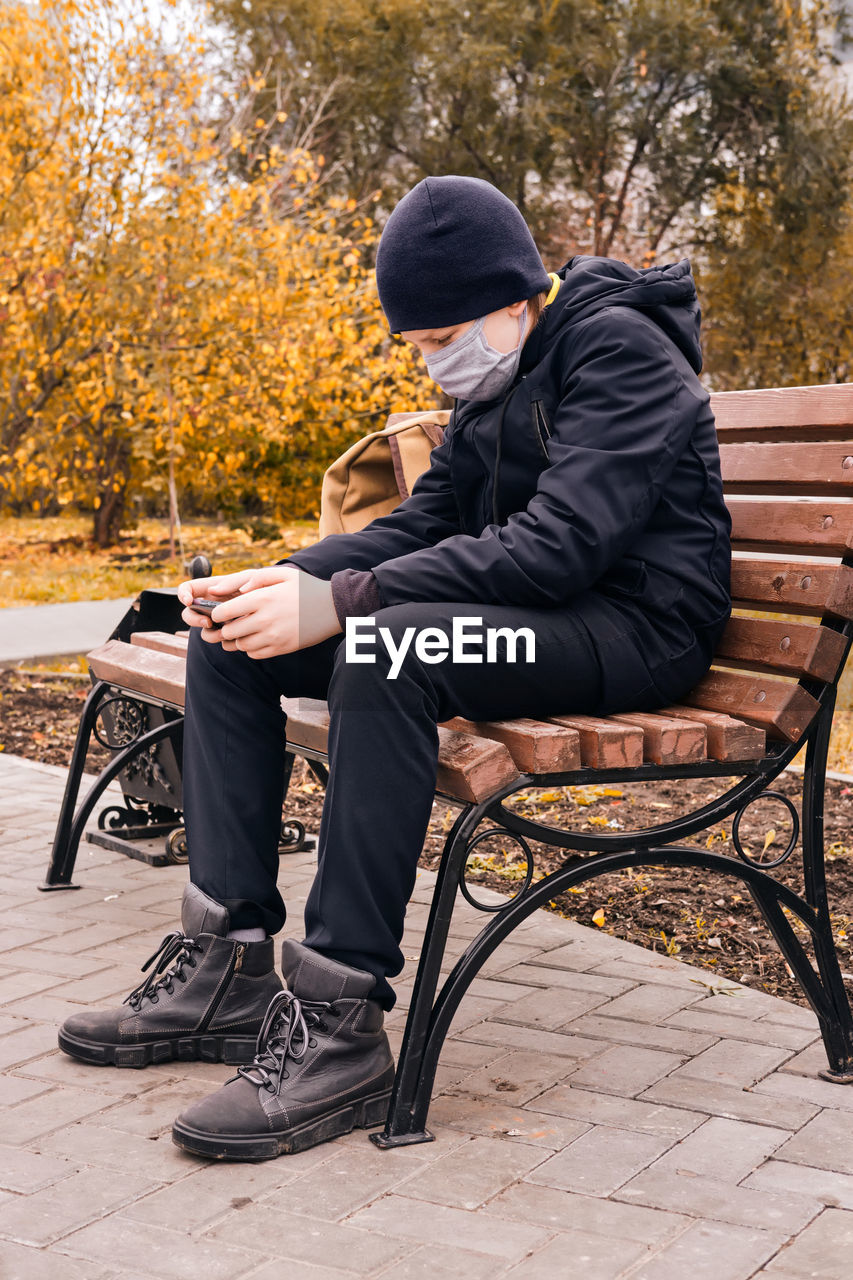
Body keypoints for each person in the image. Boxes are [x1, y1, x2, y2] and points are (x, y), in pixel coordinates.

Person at [57, 175, 732, 1161]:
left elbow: (557, 546)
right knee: (234, 636)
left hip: (631, 631)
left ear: (512, 296)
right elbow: (424, 519)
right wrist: (285, 578)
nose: (432, 361)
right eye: (416, 345)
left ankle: (336, 1026)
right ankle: (225, 965)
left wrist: (338, 603)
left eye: (437, 337)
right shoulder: (499, 380)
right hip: (542, 618)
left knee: (387, 645)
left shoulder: (621, 349)